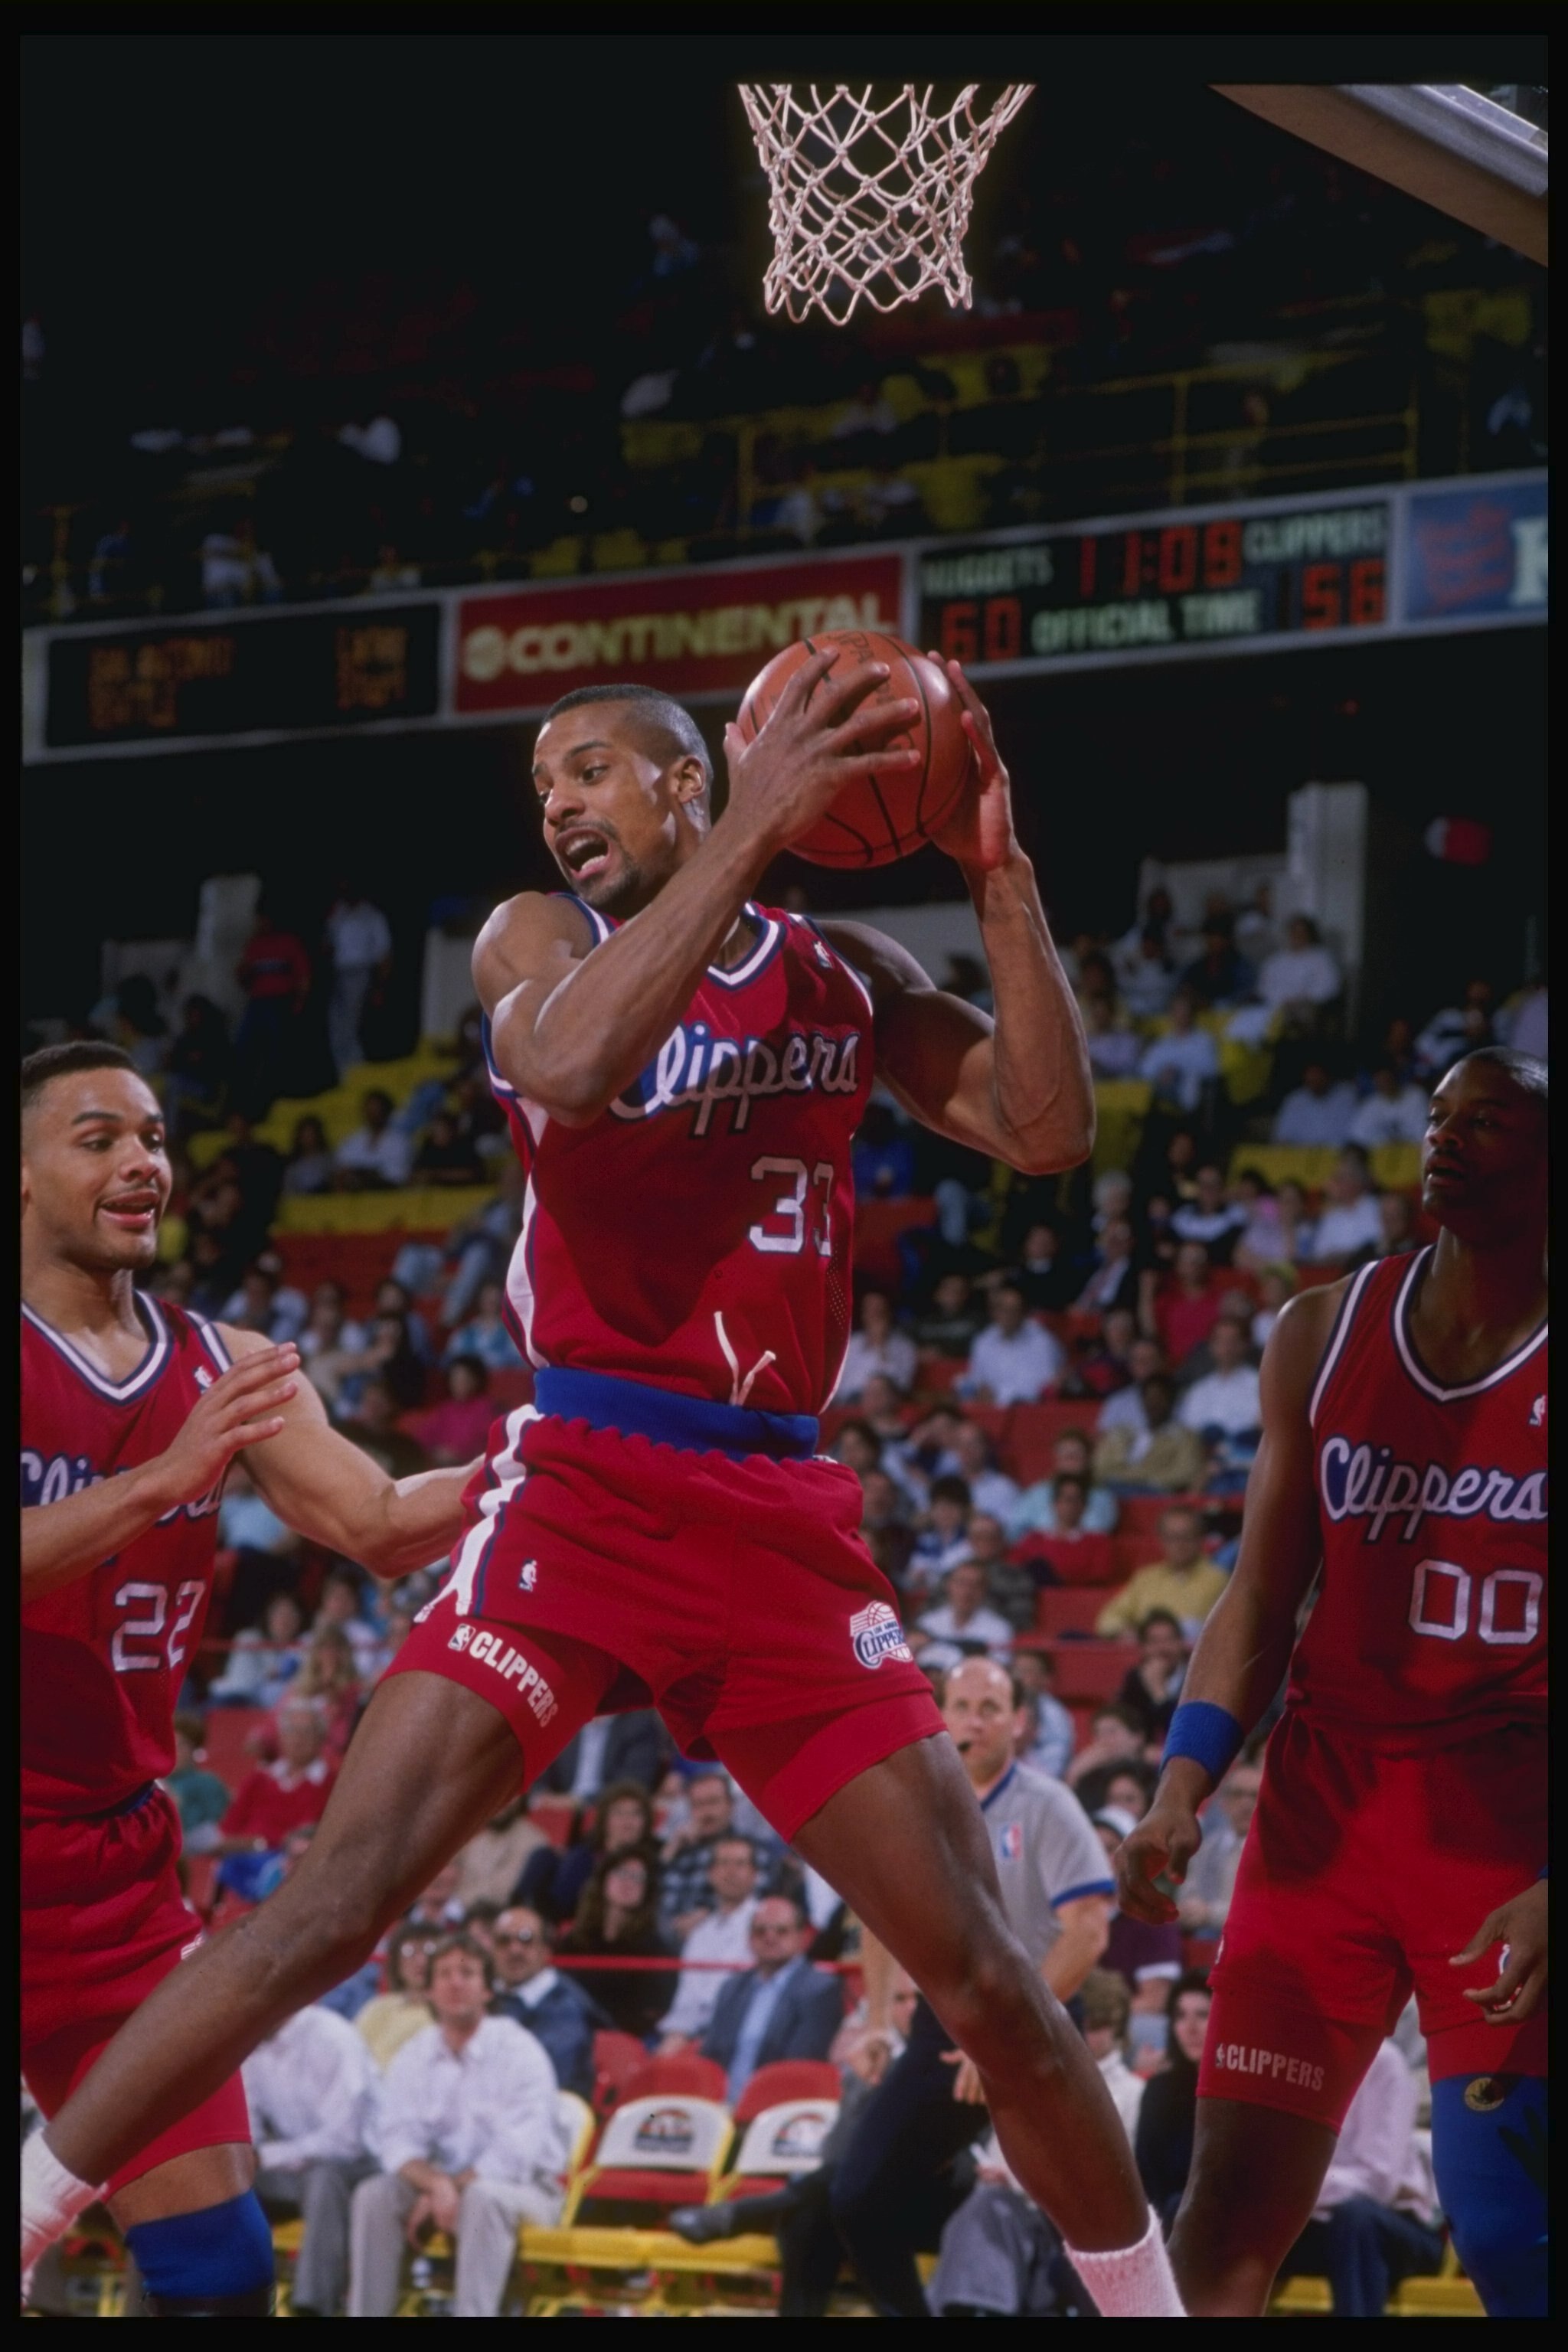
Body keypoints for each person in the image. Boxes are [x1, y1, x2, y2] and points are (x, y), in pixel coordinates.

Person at [27, 664, 1178, 2317]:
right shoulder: (533, 943)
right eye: (542, 785)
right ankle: (32, 2205)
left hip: (780, 1514)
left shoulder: (838, 973)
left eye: (591, 771)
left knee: (991, 1980)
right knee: (336, 1904)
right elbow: (566, 1067)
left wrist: (997, 875)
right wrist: (768, 823)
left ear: (689, 780)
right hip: (588, 1479)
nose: (557, 804)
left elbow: (1047, 1126)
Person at [18, 1041, 475, 2314]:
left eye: (154, 1138)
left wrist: (543, 1465)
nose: (141, 1164)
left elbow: (380, 1519)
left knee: (217, 2273)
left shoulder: (225, 1362)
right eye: (97, 1137)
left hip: (111, 1879)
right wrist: (160, 1483)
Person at [1114, 1049, 1547, 2316]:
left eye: (1489, 1122)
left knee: (1509, 2222)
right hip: (1324, 1810)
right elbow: (1256, 1597)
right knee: (1226, 2213)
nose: (1445, 1140)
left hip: (1503, 1826)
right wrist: (1178, 1784)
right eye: (1435, 1118)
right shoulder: (1321, 1326)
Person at [831, 1659, 1116, 2315]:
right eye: (961, 1706)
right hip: (946, 2027)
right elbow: (878, 1914)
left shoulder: (1049, 1805)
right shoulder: (921, 1805)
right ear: (941, 1716)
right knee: (854, 2195)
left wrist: (1004, 2040)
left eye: (990, 1707)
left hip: (1039, 2031)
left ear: (1019, 1721)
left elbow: (1088, 1934)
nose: (974, 1721)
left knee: (1078, 2218)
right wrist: (876, 2019)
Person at [347, 1936, 565, 2318]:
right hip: (445, 2185)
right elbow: (396, 2140)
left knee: (483, 2198)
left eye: (467, 1973)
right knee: (374, 2194)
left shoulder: (520, 2050)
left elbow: (514, 2155)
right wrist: (436, 2185)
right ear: (429, 1991)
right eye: (444, 1974)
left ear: (487, 1989)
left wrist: (447, 2190)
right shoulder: (416, 2053)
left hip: (528, 2190)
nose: (455, 1983)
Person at [1272, 2037, 1444, 2316]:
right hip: (1313, 2224)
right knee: (1207, 2215)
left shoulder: (1384, 2063)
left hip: (1394, 2227)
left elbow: (1380, 2182)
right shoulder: (1291, 2064)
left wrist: (1294, 2189)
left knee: (1355, 2219)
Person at [244, 2003, 380, 2316]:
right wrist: (244, 2160)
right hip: (294, 2166)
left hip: (363, 2164)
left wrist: (264, 2157)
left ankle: (314, 2308)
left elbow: (346, 2141)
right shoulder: (250, 2044)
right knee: (226, 2182)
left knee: (324, 2179)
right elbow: (248, 2137)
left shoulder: (331, 2037)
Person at [701, 1894, 842, 2101]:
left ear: (802, 1938)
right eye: (760, 1931)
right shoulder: (731, 1988)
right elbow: (710, 2056)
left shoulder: (820, 1989)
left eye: (781, 1931)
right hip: (722, 2105)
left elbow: (800, 2065)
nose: (770, 1937)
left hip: (779, 2107)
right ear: (749, 1938)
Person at [557, 1848, 677, 2040]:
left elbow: (652, 2010)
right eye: (621, 1873)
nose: (628, 1882)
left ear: (646, 1891)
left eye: (638, 1878)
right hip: (568, 2029)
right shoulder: (575, 1939)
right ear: (604, 1880)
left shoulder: (654, 1947)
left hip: (619, 2037)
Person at [488, 1904, 604, 2099]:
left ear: (546, 1950)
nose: (515, 1950)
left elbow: (551, 2080)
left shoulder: (568, 2006)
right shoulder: (483, 1996)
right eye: (504, 1941)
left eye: (526, 1940)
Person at [658, 1834, 762, 2049]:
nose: (731, 1872)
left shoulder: (766, 1925)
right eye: (723, 1864)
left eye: (740, 1864)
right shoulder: (701, 1933)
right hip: (686, 2032)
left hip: (739, 2031)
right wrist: (677, 2033)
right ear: (711, 1874)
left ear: (755, 1874)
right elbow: (687, 1996)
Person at [517, 1776, 657, 1926]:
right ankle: (519, 1918)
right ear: (605, 1819)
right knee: (543, 1857)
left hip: (622, 1923)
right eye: (619, 1812)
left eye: (636, 1814)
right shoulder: (584, 1856)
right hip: (567, 1912)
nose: (627, 1822)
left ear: (646, 1821)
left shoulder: (654, 1859)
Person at [1134, 1971, 1212, 2226]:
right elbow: (1147, 2179)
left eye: (1202, 2015)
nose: (1190, 2028)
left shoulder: (1239, 2097)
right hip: (1167, 2222)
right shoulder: (1159, 2090)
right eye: (1181, 2016)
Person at [1096, 1506, 1226, 1642]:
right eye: (1172, 1537)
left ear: (1200, 1539)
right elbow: (1108, 1619)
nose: (1179, 1544)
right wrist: (1127, 1632)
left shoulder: (1219, 1580)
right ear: (1161, 1540)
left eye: (1186, 1537)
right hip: (1148, 1658)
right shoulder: (1145, 1578)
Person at [1173, 1759, 1260, 1942]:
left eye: (1255, 1796)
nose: (1246, 1803)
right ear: (1224, 1803)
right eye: (1238, 1794)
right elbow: (1187, 1896)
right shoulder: (1206, 1847)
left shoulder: (1275, 1853)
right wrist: (1188, 1911)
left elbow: (1262, 1909)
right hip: (1201, 1943)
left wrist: (1210, 1914)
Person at [956, 1280, 1066, 1405]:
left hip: (1028, 1409)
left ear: (1023, 1312)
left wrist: (999, 1394)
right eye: (1003, 1310)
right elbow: (977, 1378)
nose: (1008, 1316)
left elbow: (1042, 1387)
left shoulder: (1042, 1340)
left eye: (1014, 1310)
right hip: (991, 1407)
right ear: (994, 1312)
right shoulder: (984, 1340)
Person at [1092, 1377, 1207, 1495]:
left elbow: (1186, 1472)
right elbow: (1100, 1467)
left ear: (1171, 1401)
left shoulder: (1185, 1438)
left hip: (1154, 1493)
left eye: (1159, 1398)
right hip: (1114, 1488)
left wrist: (1145, 1478)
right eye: (1149, 1398)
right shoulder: (1124, 1434)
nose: (1154, 1403)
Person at [325, 884, 394, 1080]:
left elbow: (384, 954)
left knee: (349, 1027)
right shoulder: (339, 911)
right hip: (338, 972)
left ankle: (355, 1075)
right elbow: (329, 942)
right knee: (335, 1026)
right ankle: (343, 1074)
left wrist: (379, 987)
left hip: (360, 973)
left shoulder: (372, 916)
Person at [355, 1921, 438, 2071]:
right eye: (409, 1952)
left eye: (429, 1951)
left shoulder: (448, 2012)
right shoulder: (379, 2007)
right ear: (396, 1962)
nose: (421, 1961)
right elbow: (354, 2054)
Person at [916, 1558, 1016, 1671]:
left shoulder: (999, 1629)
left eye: (975, 1585)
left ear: (984, 1590)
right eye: (961, 1583)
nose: (967, 1592)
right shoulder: (927, 1623)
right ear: (949, 1585)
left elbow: (997, 1672)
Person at [1177, 1315, 1262, 1445]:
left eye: (1233, 1341)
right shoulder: (1198, 1389)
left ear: (1245, 1345)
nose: (1227, 1348)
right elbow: (1185, 1429)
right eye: (1220, 1341)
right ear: (1211, 1346)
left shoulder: (1259, 1385)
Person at [1138, 991, 1220, 1118]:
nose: (1182, 1015)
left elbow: (1211, 1068)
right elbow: (1145, 1070)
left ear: (1192, 1013)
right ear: (1171, 1015)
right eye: (1178, 1011)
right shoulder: (1162, 1043)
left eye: (1185, 1011)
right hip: (1161, 1090)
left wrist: (1178, 1071)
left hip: (1190, 1088)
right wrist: (1162, 1073)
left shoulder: (1203, 1040)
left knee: (1192, 1083)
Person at [1114, 1611, 1188, 1747]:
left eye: (1169, 1640)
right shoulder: (1135, 1679)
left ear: (1181, 1643)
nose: (1163, 1648)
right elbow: (1127, 1726)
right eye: (1154, 1642)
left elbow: (1186, 1732)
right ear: (1143, 1648)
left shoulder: (1194, 1677)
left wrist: (1158, 1692)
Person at [1305, 1148, 1384, 1269]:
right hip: (1334, 1274)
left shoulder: (1375, 1208)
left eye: (1341, 1179)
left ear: (1357, 1181)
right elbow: (1318, 1254)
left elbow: (1378, 1244)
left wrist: (1348, 1255)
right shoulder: (1330, 1216)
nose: (1336, 1184)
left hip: (1369, 1272)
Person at [834, 1289, 917, 1401]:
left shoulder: (905, 1347)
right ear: (863, 1315)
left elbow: (901, 1385)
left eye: (879, 1312)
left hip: (883, 1402)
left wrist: (881, 1345)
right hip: (849, 1402)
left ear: (889, 1314)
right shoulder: (851, 1343)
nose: (874, 1316)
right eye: (870, 1311)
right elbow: (839, 1385)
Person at [1257, 916, 1341, 1027]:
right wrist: (1282, 1001)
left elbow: (1330, 986)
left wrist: (1302, 1000)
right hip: (1275, 1006)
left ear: (1309, 934)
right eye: (1294, 932)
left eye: (1302, 932)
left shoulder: (1321, 958)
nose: (1297, 936)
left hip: (1306, 1007)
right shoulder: (1275, 961)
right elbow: (1264, 987)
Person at [332, 1089, 415, 1191]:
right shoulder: (352, 1141)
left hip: (388, 1195)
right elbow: (342, 1167)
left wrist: (369, 1175)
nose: (373, 1115)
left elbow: (398, 1176)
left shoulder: (400, 1142)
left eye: (377, 1110)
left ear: (386, 1111)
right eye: (370, 1110)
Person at [1274, 1058, 1357, 1148]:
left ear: (1327, 1075)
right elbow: (1282, 1139)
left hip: (1340, 1154)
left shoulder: (1347, 1095)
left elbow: (1359, 1135)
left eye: (1317, 1074)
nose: (1314, 1078)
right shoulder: (1294, 1101)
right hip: (1301, 1157)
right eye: (1311, 1075)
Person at [1349, 1062, 1429, 1149]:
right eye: (1380, 1079)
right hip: (1382, 1157)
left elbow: (1424, 1134)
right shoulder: (1371, 1104)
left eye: (1387, 1078)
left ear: (1394, 1076)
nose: (1384, 1083)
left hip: (1413, 1154)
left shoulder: (1416, 1095)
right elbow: (1357, 1139)